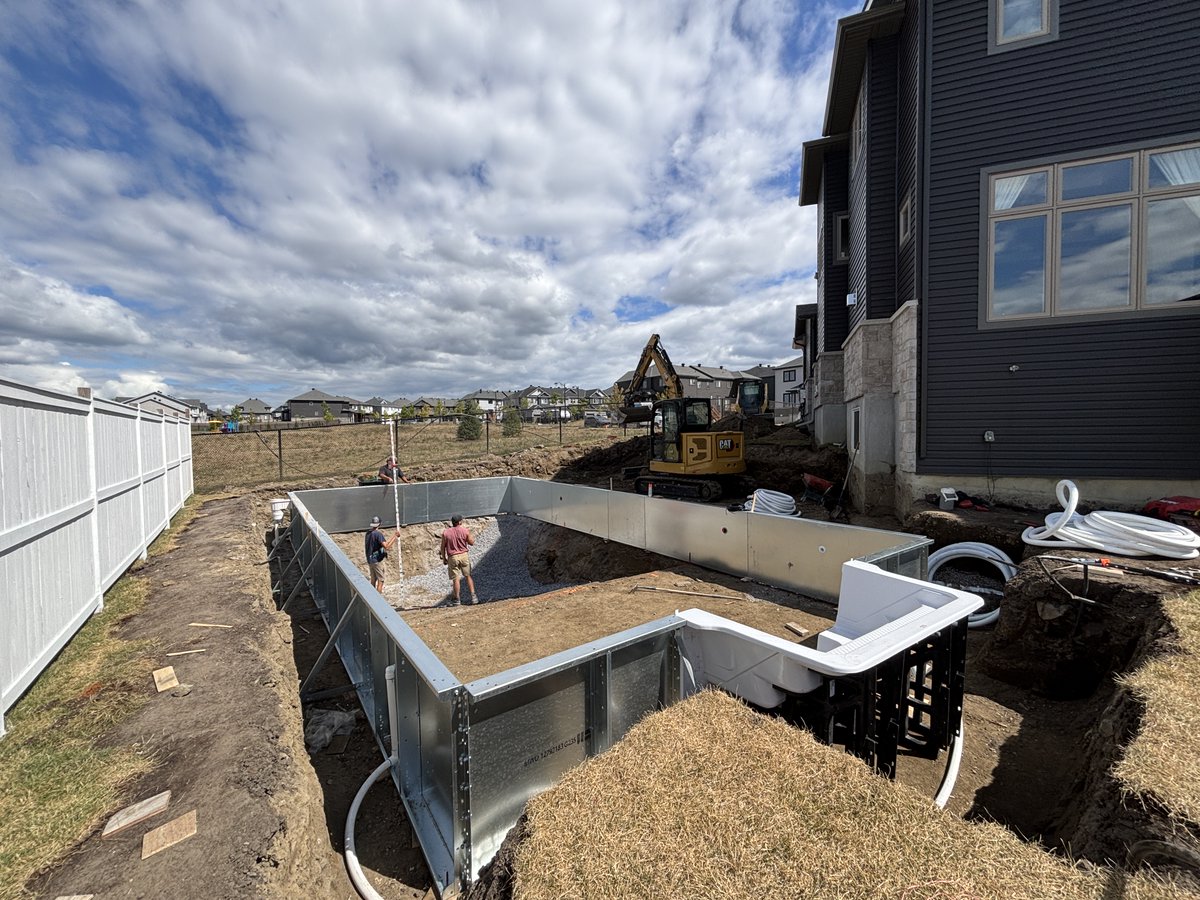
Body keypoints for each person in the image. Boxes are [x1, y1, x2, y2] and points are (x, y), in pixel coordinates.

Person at [439, 514, 478, 604]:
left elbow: (442, 547)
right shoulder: (465, 530)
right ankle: (473, 596)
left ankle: (457, 599)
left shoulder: (446, 532)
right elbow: (471, 542)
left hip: (452, 557)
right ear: (459, 522)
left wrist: (444, 558)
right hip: (464, 555)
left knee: (456, 579)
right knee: (468, 576)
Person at [364, 515, 400, 592]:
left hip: (370, 560)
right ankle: (378, 599)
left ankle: (372, 598)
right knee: (381, 580)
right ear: (379, 524)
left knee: (373, 580)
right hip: (376, 561)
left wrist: (393, 536)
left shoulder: (368, 533)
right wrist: (395, 536)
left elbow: (383, 544)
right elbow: (386, 546)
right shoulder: (377, 534)